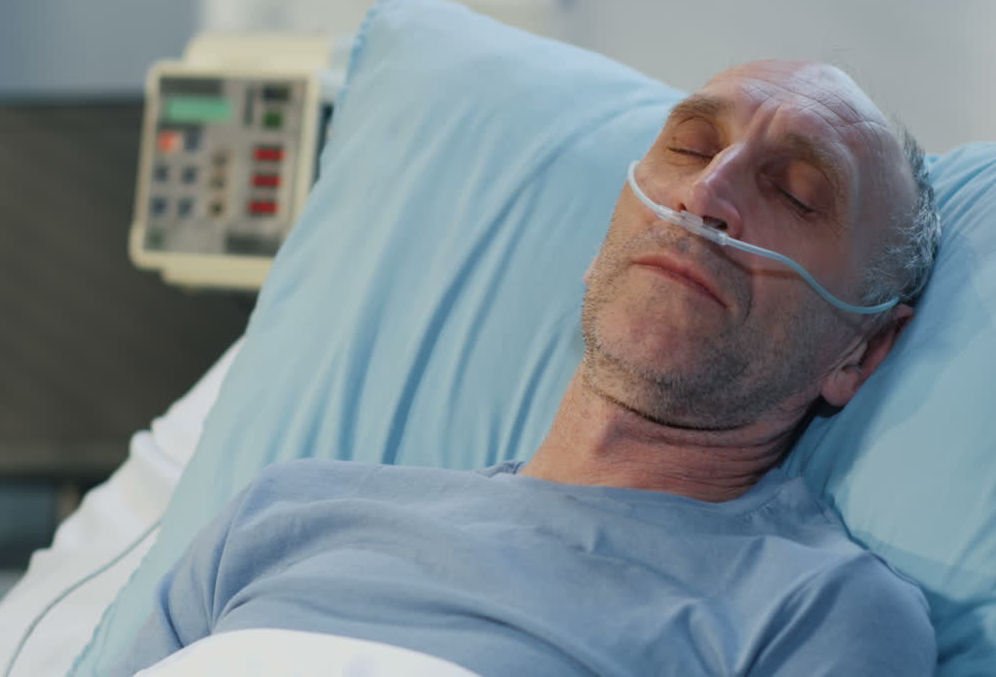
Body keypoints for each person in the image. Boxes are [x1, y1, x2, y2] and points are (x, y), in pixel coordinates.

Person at [113, 59, 940, 676]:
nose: (706, 196)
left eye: (796, 194)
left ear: (860, 352)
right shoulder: (283, 516)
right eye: (691, 148)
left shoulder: (813, 612)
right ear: (602, 248)